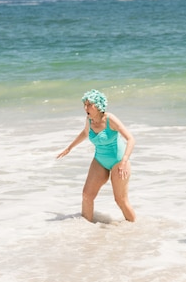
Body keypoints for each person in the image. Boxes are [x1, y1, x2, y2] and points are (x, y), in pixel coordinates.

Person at [57, 89, 136, 222]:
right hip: (100, 160)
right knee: (87, 195)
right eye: (84, 104)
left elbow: (131, 139)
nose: (85, 108)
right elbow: (85, 133)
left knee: (120, 200)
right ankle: (85, 228)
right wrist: (69, 148)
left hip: (119, 161)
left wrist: (124, 161)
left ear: (98, 106)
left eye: (89, 105)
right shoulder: (89, 120)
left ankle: (134, 228)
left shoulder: (110, 119)